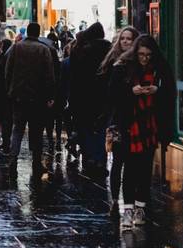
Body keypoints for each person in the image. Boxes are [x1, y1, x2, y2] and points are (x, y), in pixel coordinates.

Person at [107, 35, 175, 229]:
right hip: (129, 124)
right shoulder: (122, 67)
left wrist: (157, 90)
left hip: (151, 125)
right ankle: (127, 210)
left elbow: (170, 95)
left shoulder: (160, 68)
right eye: (141, 55)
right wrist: (131, 91)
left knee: (145, 170)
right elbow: (112, 95)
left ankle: (140, 208)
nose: (144, 59)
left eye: (148, 55)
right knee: (129, 168)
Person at [4, 22, 57, 176]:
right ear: (39, 33)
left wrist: (10, 90)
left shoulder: (16, 47)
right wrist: (50, 96)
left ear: (27, 32)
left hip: (18, 96)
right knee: (36, 131)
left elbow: (8, 71)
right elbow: (49, 75)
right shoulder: (43, 49)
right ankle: (36, 162)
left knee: (18, 130)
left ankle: (12, 161)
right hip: (38, 97)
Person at [99, 26, 140, 208]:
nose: (125, 41)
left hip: (136, 118)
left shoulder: (139, 63)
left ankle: (130, 199)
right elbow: (108, 92)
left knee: (131, 162)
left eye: (129, 39)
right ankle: (115, 199)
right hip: (117, 119)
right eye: (122, 38)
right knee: (117, 160)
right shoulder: (113, 63)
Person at [68, 22, 111, 174]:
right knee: (100, 128)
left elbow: (73, 77)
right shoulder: (108, 49)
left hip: (82, 97)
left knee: (85, 128)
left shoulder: (79, 49)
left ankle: (89, 158)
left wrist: (71, 98)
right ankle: (100, 160)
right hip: (102, 96)